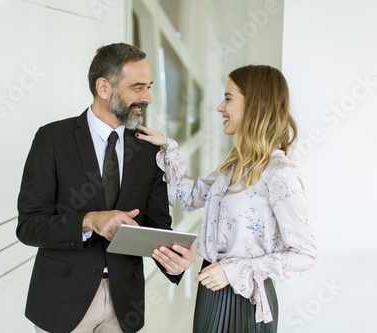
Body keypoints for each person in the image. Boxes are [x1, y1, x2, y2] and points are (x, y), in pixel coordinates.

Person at [16, 42, 195, 333]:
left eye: (148, 87)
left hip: (125, 305)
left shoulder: (148, 149)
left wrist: (173, 261)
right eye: (137, 88)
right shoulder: (53, 139)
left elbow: (157, 225)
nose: (147, 98)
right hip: (61, 302)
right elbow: (29, 225)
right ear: (104, 87)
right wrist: (88, 221)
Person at [136, 65, 317, 333]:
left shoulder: (280, 173)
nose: (220, 107)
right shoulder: (232, 167)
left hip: (245, 299)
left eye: (229, 98)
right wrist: (167, 147)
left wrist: (232, 270)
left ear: (254, 104)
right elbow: (188, 197)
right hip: (211, 292)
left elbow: (304, 254)